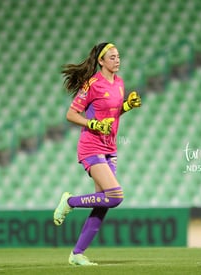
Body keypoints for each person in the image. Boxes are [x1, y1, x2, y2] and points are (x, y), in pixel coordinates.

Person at [54, 42, 141, 266]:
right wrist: (92, 123)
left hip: (110, 148)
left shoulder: (119, 83)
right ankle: (70, 202)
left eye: (118, 56)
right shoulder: (92, 84)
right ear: (101, 61)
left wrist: (126, 106)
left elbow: (111, 111)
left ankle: (77, 254)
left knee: (103, 204)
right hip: (91, 146)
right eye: (112, 57)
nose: (117, 60)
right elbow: (71, 114)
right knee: (115, 196)